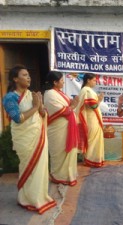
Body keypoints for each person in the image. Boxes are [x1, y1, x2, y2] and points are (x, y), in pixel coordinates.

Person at [2, 65, 56, 214]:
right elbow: (18, 118)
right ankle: (26, 198)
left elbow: (43, 114)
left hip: (38, 135)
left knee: (40, 167)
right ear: (15, 79)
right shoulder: (10, 97)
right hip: (24, 138)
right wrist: (35, 106)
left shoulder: (32, 94)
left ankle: (39, 196)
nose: (28, 77)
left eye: (29, 75)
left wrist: (39, 108)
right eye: (24, 75)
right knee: (28, 167)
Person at [44, 71, 79, 186]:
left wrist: (73, 104)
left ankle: (70, 175)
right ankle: (58, 176)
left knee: (69, 152)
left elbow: (69, 105)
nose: (63, 82)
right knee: (59, 152)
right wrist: (73, 105)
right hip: (58, 129)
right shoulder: (50, 94)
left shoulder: (59, 93)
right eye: (61, 80)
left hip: (67, 127)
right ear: (55, 82)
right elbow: (61, 110)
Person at [76, 73, 105, 167]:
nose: (95, 82)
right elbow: (94, 106)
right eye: (94, 80)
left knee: (93, 139)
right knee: (92, 139)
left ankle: (93, 159)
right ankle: (91, 160)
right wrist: (99, 100)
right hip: (91, 118)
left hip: (92, 117)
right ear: (88, 80)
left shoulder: (86, 90)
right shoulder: (87, 91)